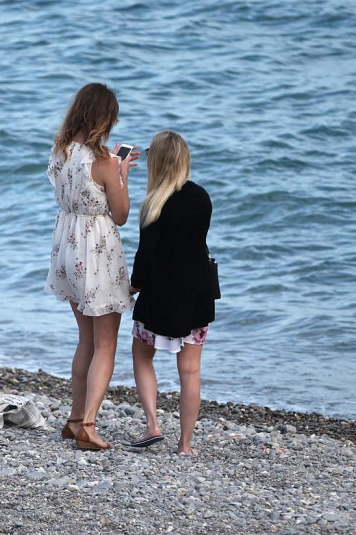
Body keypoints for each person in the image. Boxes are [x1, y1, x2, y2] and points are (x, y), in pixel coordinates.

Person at [45, 82, 139, 450]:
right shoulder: (104, 162)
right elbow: (121, 215)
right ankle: (87, 424)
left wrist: (113, 168)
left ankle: (73, 418)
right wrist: (121, 174)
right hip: (96, 250)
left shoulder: (62, 150)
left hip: (66, 244)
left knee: (86, 337)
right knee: (106, 342)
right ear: (106, 119)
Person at [129, 130, 216, 456]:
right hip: (197, 295)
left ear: (158, 162)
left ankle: (152, 424)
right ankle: (185, 445)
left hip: (160, 298)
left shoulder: (154, 203)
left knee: (141, 355)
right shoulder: (201, 197)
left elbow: (146, 256)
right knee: (190, 370)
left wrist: (133, 287)